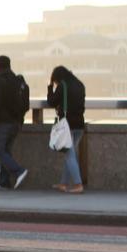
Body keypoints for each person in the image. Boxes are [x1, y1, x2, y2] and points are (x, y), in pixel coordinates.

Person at [0, 55, 30, 189]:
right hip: (17, 122)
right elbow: (25, 104)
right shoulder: (18, 80)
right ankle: (4, 181)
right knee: (6, 150)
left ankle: (19, 171)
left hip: (3, 121)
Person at [45, 64, 88, 193]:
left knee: (69, 155)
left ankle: (78, 184)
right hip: (79, 124)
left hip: (67, 125)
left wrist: (50, 88)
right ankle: (63, 184)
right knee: (71, 154)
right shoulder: (80, 84)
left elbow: (51, 102)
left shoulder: (63, 86)